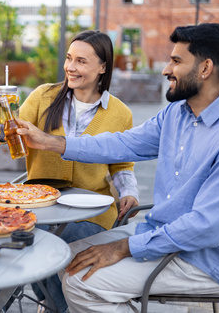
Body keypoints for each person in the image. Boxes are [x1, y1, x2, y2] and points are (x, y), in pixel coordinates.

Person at [16, 23, 219, 312]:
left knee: (80, 280)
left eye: (176, 61)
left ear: (205, 68)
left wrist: (123, 248)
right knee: (60, 258)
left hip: (203, 259)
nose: (165, 70)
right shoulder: (178, 112)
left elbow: (206, 228)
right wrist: (51, 142)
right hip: (158, 233)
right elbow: (123, 144)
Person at [19, 30, 139, 311]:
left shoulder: (120, 113)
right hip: (39, 203)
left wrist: (129, 191)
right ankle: (54, 305)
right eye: (69, 58)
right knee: (26, 237)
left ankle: (51, 306)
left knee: (52, 243)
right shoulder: (42, 97)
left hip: (93, 211)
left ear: (103, 67)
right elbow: (12, 132)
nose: (71, 67)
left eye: (81, 61)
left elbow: (122, 163)